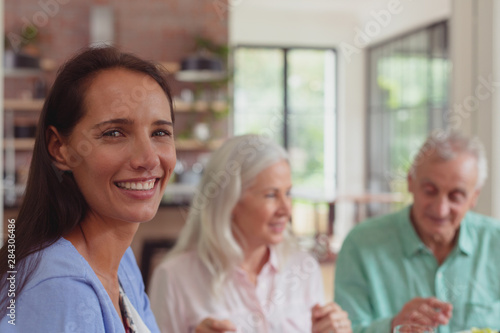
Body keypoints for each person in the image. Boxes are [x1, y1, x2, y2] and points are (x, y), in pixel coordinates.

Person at [0, 46, 176, 332]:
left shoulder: (122, 262)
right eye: (114, 133)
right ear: (60, 148)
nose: (149, 159)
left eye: (160, 133)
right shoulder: (61, 288)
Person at [149, 134, 352, 333]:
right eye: (271, 195)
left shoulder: (304, 269)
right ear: (231, 200)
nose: (286, 209)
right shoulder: (174, 278)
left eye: (288, 193)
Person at [334, 131, 500, 333]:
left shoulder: (495, 242)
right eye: (430, 191)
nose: (441, 209)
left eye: (455, 196)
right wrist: (393, 326)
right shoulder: (360, 245)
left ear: (474, 197)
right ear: (410, 182)